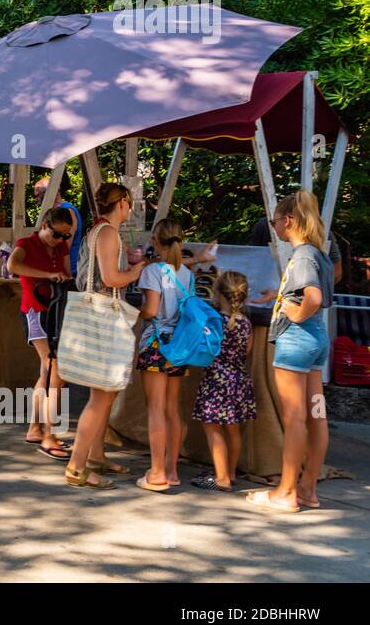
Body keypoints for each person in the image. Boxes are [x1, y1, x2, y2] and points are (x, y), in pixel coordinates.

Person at [247, 190, 333, 513]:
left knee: (294, 418)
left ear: (289, 221)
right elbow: (310, 294)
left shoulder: (302, 256)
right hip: (316, 343)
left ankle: (285, 492)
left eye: (275, 222)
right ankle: (308, 488)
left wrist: (293, 313)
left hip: (295, 343)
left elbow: (310, 297)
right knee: (317, 414)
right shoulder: (320, 254)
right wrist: (282, 297)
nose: (275, 228)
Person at [64, 181, 148, 489]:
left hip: (98, 316)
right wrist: (136, 272)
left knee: (105, 393)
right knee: (100, 397)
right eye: (130, 202)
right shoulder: (109, 233)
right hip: (104, 319)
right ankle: (76, 466)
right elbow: (111, 277)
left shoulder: (98, 231)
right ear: (122, 202)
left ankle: (95, 456)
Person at [6, 205, 75, 460]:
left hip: (55, 311)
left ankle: (37, 428)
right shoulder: (27, 243)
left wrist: (63, 277)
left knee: (48, 371)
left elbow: (66, 273)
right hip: (35, 311)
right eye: (57, 234)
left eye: (66, 236)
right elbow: (13, 265)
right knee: (52, 369)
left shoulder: (61, 247)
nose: (61, 240)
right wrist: (47, 274)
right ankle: (48, 433)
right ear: (45, 226)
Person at [134, 218, 196, 492]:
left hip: (157, 342)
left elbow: (150, 310)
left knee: (156, 408)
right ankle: (171, 469)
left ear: (155, 242)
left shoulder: (153, 271)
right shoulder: (187, 274)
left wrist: (134, 313)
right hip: (179, 345)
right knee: (173, 408)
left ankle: (156, 471)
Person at [190, 271, 257, 491]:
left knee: (213, 429)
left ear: (218, 293)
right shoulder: (246, 323)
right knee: (233, 430)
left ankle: (221, 478)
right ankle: (230, 472)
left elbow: (206, 347)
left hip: (216, 379)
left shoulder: (216, 320)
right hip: (238, 380)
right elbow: (247, 350)